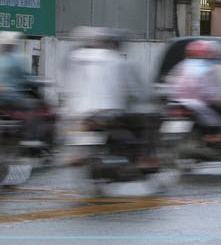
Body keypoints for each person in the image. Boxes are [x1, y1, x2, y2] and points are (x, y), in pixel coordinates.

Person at [65, 26, 159, 169]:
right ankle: (143, 157)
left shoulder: (80, 57)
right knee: (147, 121)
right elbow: (135, 90)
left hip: (82, 111)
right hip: (110, 110)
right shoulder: (118, 61)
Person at [165, 39, 221, 131]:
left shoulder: (181, 65)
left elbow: (170, 84)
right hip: (197, 105)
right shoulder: (205, 68)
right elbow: (210, 92)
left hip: (176, 102)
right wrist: (219, 99)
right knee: (218, 124)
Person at [0, 31, 41, 146]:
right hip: (12, 97)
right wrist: (37, 84)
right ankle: (30, 139)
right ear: (11, 44)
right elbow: (26, 78)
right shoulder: (16, 59)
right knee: (33, 108)